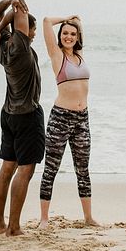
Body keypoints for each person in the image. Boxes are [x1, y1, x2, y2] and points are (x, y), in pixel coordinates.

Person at [0, 0, 45, 236]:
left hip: (9, 113)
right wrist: (17, 5)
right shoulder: (20, 45)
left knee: (7, 168)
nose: (34, 34)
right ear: (26, 30)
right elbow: (17, 12)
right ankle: (14, 227)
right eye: (32, 29)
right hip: (27, 115)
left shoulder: (2, 44)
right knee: (25, 170)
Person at [38, 15, 98, 229]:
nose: (69, 37)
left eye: (73, 34)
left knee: (83, 170)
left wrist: (76, 23)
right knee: (51, 169)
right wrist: (65, 18)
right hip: (61, 118)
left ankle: (89, 218)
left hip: (83, 119)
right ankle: (44, 219)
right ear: (60, 36)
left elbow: (79, 30)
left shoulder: (79, 55)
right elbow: (46, 22)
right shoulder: (57, 55)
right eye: (65, 33)